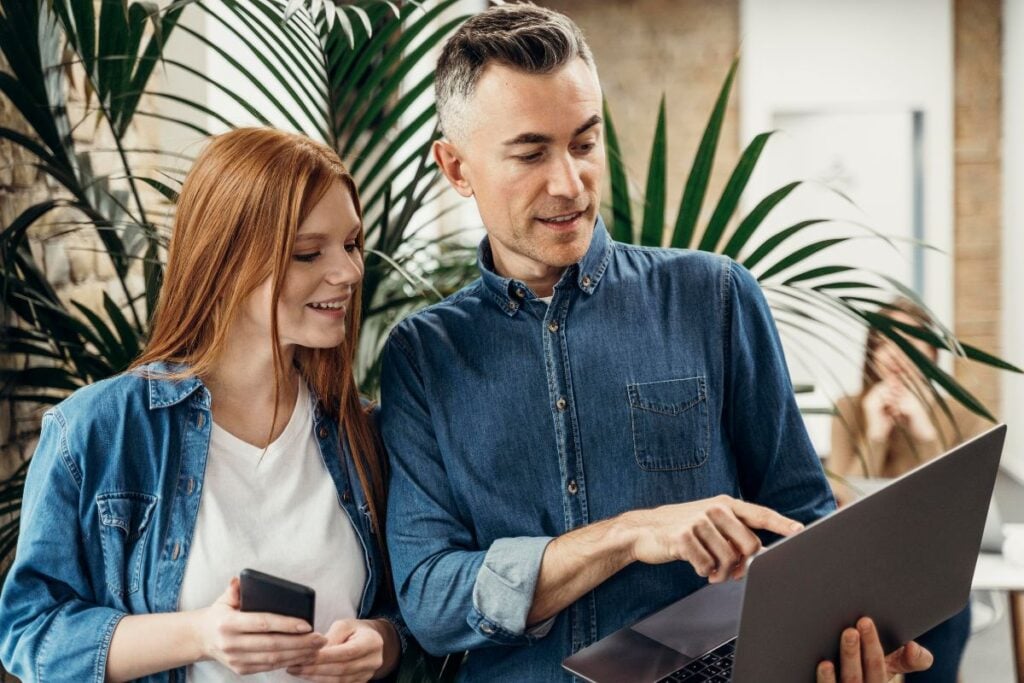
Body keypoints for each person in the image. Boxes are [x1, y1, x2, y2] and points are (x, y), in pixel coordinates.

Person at [379, 4, 933, 682]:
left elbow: (802, 526)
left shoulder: (716, 297)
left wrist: (854, 633)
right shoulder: (422, 356)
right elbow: (432, 598)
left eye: (584, 143)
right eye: (530, 153)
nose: (570, 182)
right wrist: (628, 533)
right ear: (456, 168)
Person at [0, 128, 404, 682]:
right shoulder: (97, 432)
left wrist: (382, 643)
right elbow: (30, 633)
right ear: (228, 260)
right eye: (309, 252)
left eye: (352, 244)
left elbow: (406, 610)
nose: (350, 272)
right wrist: (200, 634)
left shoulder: (363, 432)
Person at [830, 297, 988, 683]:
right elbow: (838, 509)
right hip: (861, 568)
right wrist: (874, 436)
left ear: (932, 355)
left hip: (933, 568)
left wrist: (927, 437)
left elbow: (963, 511)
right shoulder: (851, 410)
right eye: (887, 343)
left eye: (913, 344)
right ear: (873, 352)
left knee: (945, 612)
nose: (898, 355)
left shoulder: (962, 416)